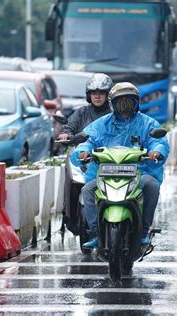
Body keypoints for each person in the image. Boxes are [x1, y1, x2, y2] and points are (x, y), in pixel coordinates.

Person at [71, 82, 170, 248]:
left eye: (129, 100)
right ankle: (95, 232)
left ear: (136, 103)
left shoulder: (148, 123)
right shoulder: (101, 124)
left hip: (139, 173)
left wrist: (156, 152)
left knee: (152, 185)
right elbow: (88, 139)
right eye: (120, 100)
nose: (124, 104)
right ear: (112, 103)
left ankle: (145, 230)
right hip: (105, 174)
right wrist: (83, 151)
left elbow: (159, 141)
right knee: (87, 189)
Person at [58, 73, 113, 233]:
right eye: (94, 93)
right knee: (73, 184)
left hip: (111, 160)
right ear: (89, 95)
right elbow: (70, 126)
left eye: (101, 93)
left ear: (107, 95)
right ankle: (70, 215)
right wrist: (66, 134)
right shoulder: (81, 112)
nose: (97, 96)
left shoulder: (115, 113)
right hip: (85, 160)